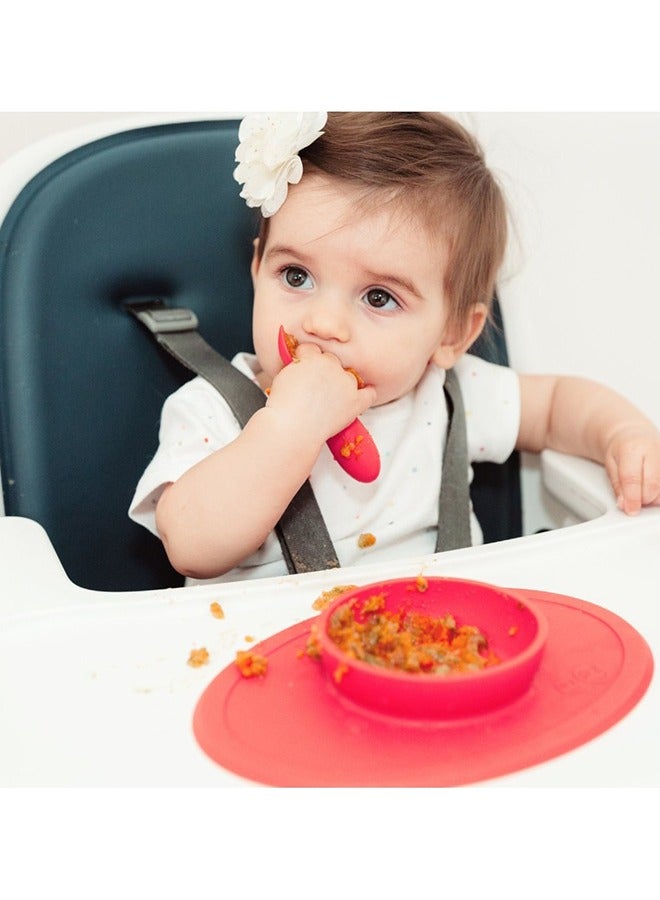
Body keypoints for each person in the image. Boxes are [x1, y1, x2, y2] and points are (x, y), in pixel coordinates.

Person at [129, 111, 660, 585]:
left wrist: (624, 434)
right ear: (256, 269)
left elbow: (556, 406)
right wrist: (288, 428)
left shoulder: (447, 397)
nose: (323, 322)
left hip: (432, 662)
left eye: (379, 297)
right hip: (265, 667)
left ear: (453, 334)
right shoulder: (214, 411)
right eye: (296, 275)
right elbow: (191, 546)